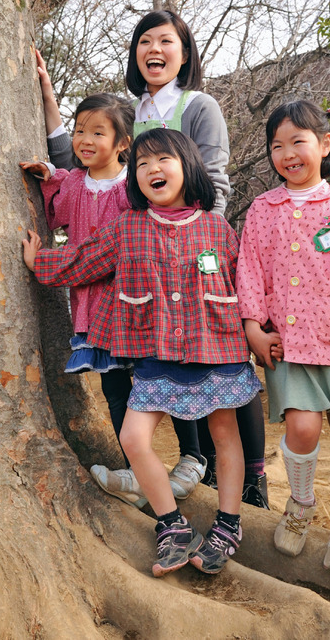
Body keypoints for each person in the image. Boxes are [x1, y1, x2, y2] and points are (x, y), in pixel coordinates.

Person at [38, 25, 269, 508]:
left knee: (223, 375)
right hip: (140, 271)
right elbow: (82, 161)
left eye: (165, 41)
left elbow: (213, 179)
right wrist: (49, 99)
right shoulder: (130, 112)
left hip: (194, 259)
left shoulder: (198, 105)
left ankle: (249, 486)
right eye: (144, 41)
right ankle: (184, 477)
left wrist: (194, 242)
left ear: (185, 52)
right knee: (157, 374)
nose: (154, 50)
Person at [23, 129, 260, 576]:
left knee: (225, 435)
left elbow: (246, 284)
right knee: (133, 438)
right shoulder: (129, 226)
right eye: (143, 164)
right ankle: (172, 525)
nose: (153, 169)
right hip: (156, 353)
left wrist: (260, 331)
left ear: (189, 167)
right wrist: (41, 263)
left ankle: (229, 524)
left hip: (217, 347)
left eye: (163, 159)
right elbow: (84, 259)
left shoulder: (217, 227)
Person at [22, 92, 208, 503]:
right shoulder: (73, 183)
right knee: (115, 388)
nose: (84, 140)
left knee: (163, 378)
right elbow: (57, 211)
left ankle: (193, 456)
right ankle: (135, 470)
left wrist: (45, 263)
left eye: (97, 132)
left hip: (140, 304)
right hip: (95, 308)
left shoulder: (132, 187)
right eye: (79, 131)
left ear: (123, 142)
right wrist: (49, 175)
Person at [236, 101, 330, 576]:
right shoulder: (263, 209)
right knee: (301, 429)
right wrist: (253, 328)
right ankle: (300, 504)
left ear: (324, 144)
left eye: (297, 142)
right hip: (289, 344)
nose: (287, 154)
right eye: (276, 145)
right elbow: (249, 270)